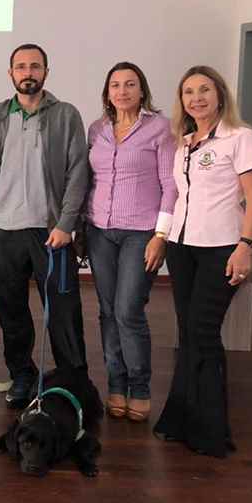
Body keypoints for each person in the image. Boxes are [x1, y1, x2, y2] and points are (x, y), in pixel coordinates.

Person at [153, 66, 252, 457]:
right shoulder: (185, 142)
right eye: (188, 92)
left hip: (222, 248)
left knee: (203, 331)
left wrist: (245, 245)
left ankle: (212, 430)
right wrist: (165, 238)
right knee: (188, 332)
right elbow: (180, 197)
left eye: (204, 90)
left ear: (220, 96)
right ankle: (181, 419)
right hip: (184, 249)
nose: (196, 98)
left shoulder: (241, 137)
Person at [0, 43, 89, 407]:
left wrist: (66, 224)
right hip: (3, 229)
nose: (28, 72)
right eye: (21, 67)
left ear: (46, 73)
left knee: (63, 310)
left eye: (35, 66)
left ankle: (72, 382)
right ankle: (22, 374)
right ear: (10, 73)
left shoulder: (66, 114)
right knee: (10, 309)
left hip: (50, 232)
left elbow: (77, 174)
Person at [85, 62, 177, 422]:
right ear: (107, 92)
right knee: (108, 312)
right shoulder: (97, 130)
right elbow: (89, 180)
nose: (122, 91)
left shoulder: (160, 128)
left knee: (128, 311)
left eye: (130, 84)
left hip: (141, 233)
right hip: (99, 232)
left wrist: (161, 235)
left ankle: (140, 387)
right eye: (115, 85)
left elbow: (171, 185)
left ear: (142, 90)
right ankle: (116, 385)